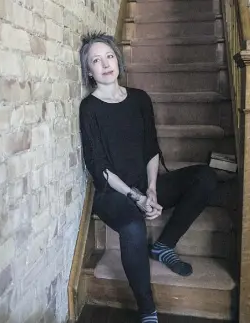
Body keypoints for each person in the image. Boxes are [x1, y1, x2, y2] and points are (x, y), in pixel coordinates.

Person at [78, 31, 218, 323]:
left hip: (145, 185)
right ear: (89, 71)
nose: (105, 64)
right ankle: (147, 310)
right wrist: (137, 197)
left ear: (118, 59)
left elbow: (151, 147)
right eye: (96, 60)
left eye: (109, 56)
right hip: (112, 193)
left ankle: (164, 245)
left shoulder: (140, 99)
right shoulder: (89, 107)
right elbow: (98, 164)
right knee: (132, 228)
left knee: (205, 177)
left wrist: (152, 190)